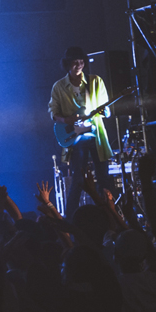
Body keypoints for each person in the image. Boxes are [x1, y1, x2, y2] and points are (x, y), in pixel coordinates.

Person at [48, 46, 111, 218]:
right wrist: (67, 120)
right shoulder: (59, 87)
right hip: (76, 138)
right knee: (78, 180)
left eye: (81, 62)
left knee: (103, 178)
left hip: (96, 135)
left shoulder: (95, 81)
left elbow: (107, 111)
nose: (79, 65)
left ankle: (107, 216)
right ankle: (71, 220)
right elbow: (53, 113)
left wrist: (105, 111)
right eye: (75, 62)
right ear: (67, 64)